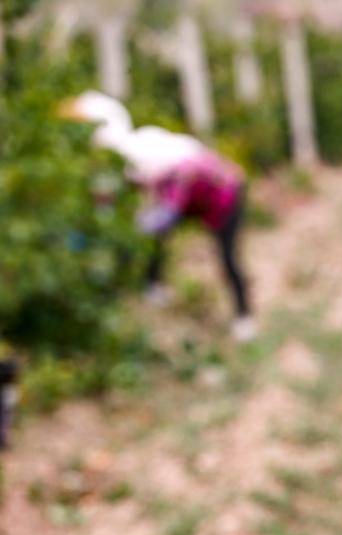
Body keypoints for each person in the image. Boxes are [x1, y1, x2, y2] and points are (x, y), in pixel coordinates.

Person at [63, 91, 256, 341]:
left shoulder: (145, 154)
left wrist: (131, 228)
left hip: (222, 199)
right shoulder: (137, 148)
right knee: (156, 239)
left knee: (227, 258)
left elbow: (167, 209)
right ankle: (154, 287)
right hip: (189, 201)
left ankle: (244, 317)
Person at [0, 360, 18, 451]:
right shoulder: (11, 387)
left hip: (5, 398)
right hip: (7, 399)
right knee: (5, 421)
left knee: (4, 420)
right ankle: (3, 441)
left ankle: (3, 440)